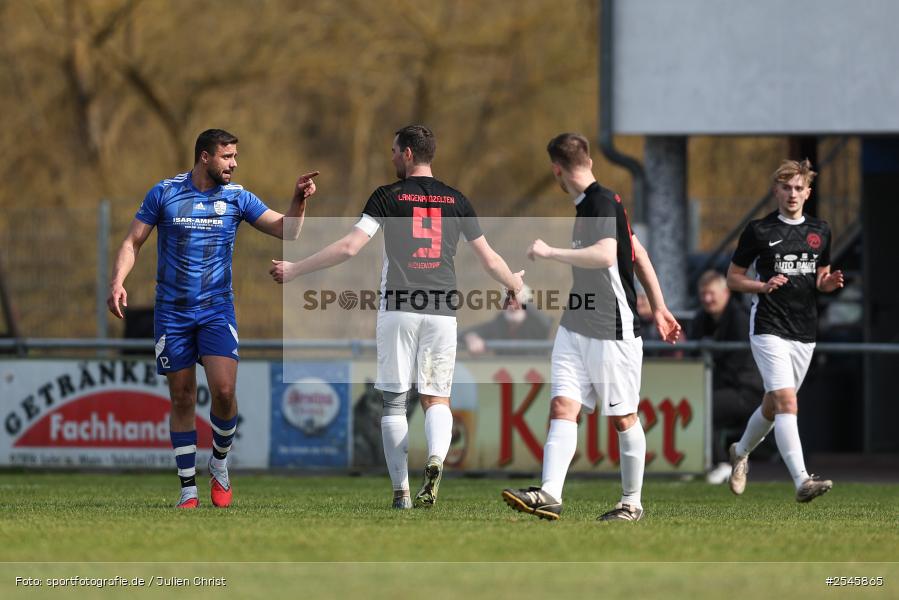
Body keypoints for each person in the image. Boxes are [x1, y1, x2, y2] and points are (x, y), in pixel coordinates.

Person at [270, 125, 524, 509]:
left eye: (393, 151)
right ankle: (437, 459)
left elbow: (350, 247)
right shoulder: (457, 199)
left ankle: (401, 492)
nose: (390, 157)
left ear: (407, 154)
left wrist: (296, 269)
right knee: (437, 398)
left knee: (393, 402)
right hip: (441, 312)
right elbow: (489, 258)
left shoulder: (387, 197)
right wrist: (514, 287)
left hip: (399, 308)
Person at [107, 129, 319, 509]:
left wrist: (298, 201)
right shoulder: (164, 193)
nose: (234, 164)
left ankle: (219, 463)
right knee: (183, 396)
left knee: (223, 392)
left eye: (235, 156)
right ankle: (187, 488)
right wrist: (118, 280)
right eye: (227, 157)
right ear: (205, 157)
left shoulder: (238, 198)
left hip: (216, 310)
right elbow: (132, 242)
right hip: (172, 313)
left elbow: (288, 230)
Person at [501, 133, 681, 522]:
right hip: (576, 323)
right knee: (563, 406)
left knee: (622, 417)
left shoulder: (602, 200)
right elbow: (639, 253)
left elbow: (605, 255)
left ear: (556, 170)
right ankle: (549, 493)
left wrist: (549, 251)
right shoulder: (592, 205)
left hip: (611, 328)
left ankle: (631, 503)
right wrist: (662, 307)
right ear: (590, 161)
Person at [726, 159, 844, 503]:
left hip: (804, 329)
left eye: (798, 188)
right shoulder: (759, 231)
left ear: (808, 193)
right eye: (786, 187)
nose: (792, 194)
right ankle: (802, 481)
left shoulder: (820, 230)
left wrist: (827, 283)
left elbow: (819, 276)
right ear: (776, 190)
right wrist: (761, 287)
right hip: (768, 326)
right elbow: (733, 279)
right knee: (787, 402)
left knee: (773, 404)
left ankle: (740, 451)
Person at [690, 270, 763, 484]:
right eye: (703, 294)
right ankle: (693, 462)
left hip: (748, 390)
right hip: (718, 386)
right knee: (698, 402)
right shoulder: (700, 318)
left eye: (711, 293)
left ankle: (722, 463)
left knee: (706, 406)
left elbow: (737, 364)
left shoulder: (741, 318)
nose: (707, 299)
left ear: (725, 293)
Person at [460, 285, 551, 355]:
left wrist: (520, 295)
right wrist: (471, 338)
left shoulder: (537, 324)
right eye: (508, 301)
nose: (512, 305)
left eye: (517, 301)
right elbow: (466, 332)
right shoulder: (499, 324)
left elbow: (546, 323)